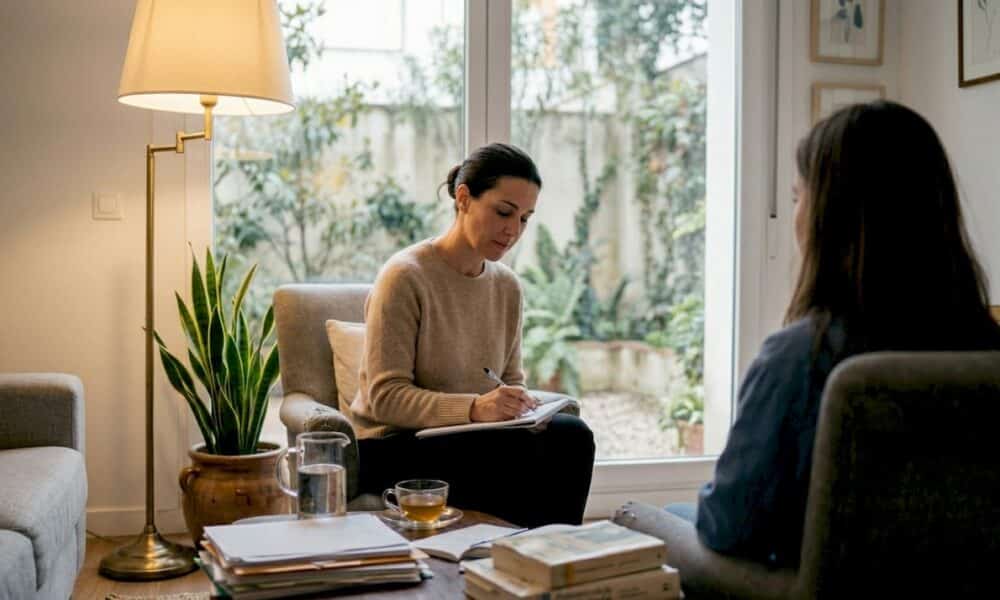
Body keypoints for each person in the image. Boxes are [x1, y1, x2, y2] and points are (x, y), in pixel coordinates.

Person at [676, 100, 1000, 566]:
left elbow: (729, 526)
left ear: (828, 214)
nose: (794, 214)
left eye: (796, 197)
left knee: (657, 517)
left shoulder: (800, 357)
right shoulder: (987, 352)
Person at [349, 142, 595, 528]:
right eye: (503, 212)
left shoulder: (507, 287)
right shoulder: (405, 276)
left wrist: (517, 405)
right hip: (394, 445)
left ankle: (551, 557)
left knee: (571, 435)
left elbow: (511, 380)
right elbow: (385, 398)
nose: (513, 230)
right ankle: (512, 557)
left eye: (525, 219)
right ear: (463, 198)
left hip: (476, 439)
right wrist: (475, 409)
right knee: (505, 455)